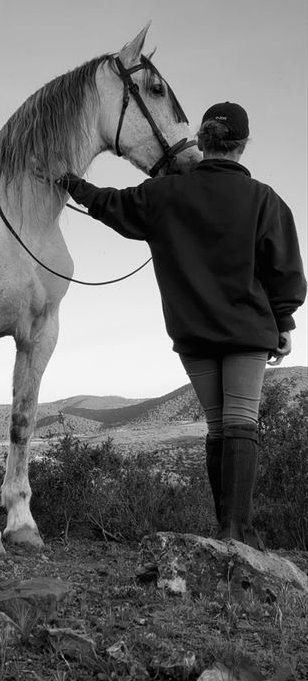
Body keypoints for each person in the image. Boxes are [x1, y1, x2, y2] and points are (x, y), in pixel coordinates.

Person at [55, 102, 306, 550]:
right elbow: (285, 272)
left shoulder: (164, 195)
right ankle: (237, 534)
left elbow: (107, 203)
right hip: (248, 333)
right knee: (241, 424)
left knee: (218, 427)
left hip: (192, 335)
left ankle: (225, 529)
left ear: (201, 142)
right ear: (242, 145)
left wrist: (69, 180)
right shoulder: (264, 199)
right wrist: (283, 319)